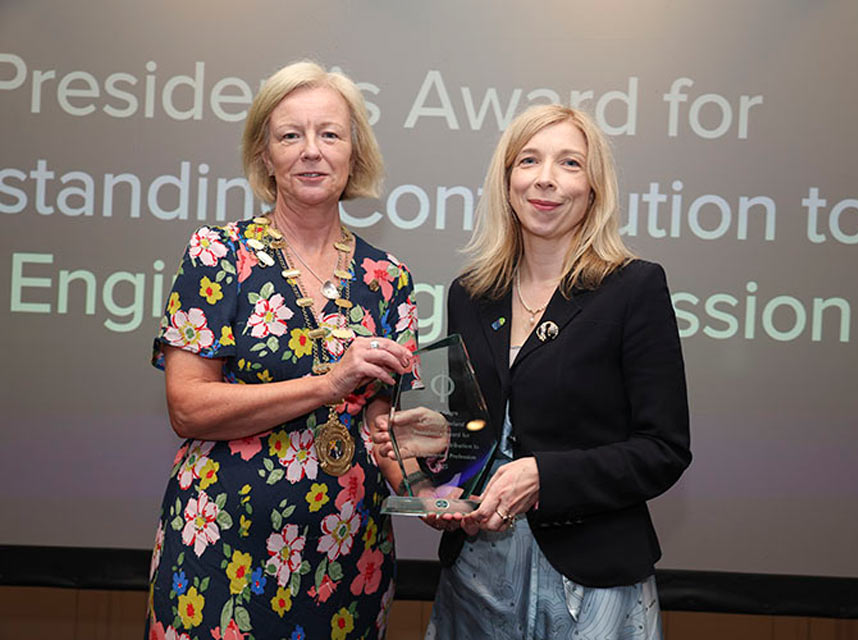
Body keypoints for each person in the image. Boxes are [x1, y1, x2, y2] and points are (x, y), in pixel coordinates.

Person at [377, 104, 691, 639]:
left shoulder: (633, 288)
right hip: (477, 579)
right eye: (529, 160)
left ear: (594, 187)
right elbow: (478, 433)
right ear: (507, 181)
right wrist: (432, 448)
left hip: (591, 584)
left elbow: (663, 450)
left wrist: (545, 477)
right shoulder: (471, 294)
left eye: (569, 163)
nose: (546, 178)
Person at [145, 61, 418, 640]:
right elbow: (187, 408)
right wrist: (327, 384)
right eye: (290, 135)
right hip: (221, 544)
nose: (311, 151)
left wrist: (439, 494)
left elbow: (384, 427)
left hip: (348, 554)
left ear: (355, 153)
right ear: (265, 156)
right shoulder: (218, 254)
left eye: (329, 134)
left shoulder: (389, 277)